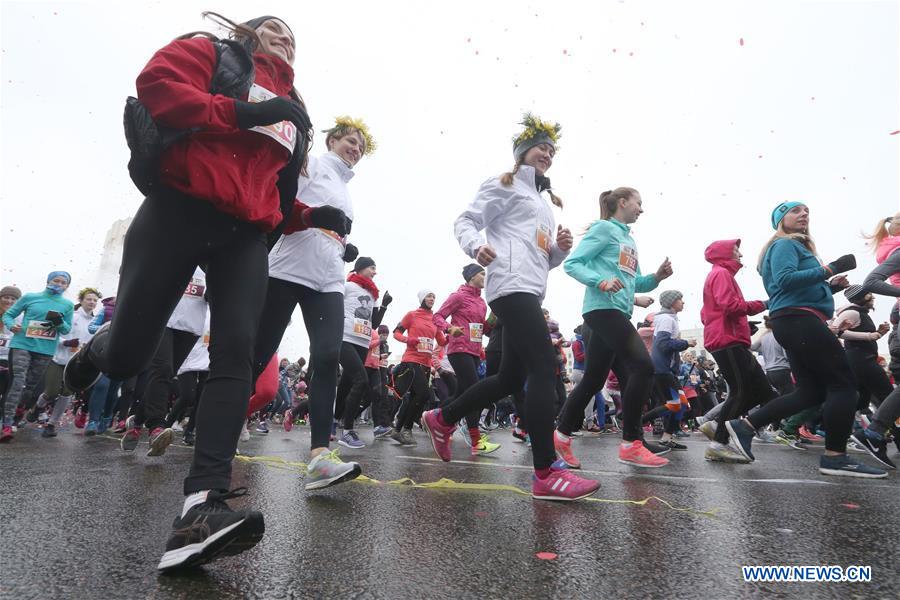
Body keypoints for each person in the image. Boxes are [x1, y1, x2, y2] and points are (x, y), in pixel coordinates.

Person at [62, 14, 351, 570]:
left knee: (237, 351)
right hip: (179, 207)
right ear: (249, 33)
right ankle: (102, 349)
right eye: (275, 29)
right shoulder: (216, 55)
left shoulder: (297, 109)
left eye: (294, 36)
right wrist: (244, 111)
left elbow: (269, 191)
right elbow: (158, 88)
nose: (287, 39)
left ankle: (202, 506)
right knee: (127, 357)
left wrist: (313, 214)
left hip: (244, 237)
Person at [420, 113, 600, 500]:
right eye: (541, 148)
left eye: (552, 151)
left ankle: (442, 417)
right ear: (522, 152)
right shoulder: (504, 185)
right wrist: (475, 246)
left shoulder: (543, 202)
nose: (547, 155)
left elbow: (541, 256)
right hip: (509, 286)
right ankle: (545, 471)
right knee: (542, 368)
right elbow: (466, 219)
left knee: (509, 379)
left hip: (531, 289)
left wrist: (558, 250)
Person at [724, 201, 886, 478]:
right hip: (799, 321)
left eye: (807, 211)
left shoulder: (792, 247)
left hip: (794, 319)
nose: (804, 214)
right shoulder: (785, 244)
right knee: (844, 385)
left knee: (810, 392)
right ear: (780, 220)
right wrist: (829, 269)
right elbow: (785, 281)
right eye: (795, 211)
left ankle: (746, 427)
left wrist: (828, 287)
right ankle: (836, 457)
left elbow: (794, 290)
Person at [253, 117, 375, 484]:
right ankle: (211, 424)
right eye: (351, 141)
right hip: (288, 269)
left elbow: (331, 226)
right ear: (333, 139)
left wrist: (344, 245)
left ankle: (320, 455)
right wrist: (313, 217)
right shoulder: (311, 163)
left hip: (328, 279)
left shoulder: (345, 186)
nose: (355, 149)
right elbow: (279, 204)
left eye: (361, 147)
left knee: (325, 357)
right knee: (258, 354)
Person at [555, 187, 673, 469]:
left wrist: (656, 277)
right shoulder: (605, 229)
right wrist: (601, 281)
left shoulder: (627, 239)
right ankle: (631, 443)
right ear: (623, 202)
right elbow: (573, 264)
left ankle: (561, 435)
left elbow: (635, 282)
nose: (641, 209)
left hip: (617, 312)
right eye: (638, 203)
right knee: (642, 367)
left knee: (594, 380)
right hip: (601, 310)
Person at [699, 239, 772, 462]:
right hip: (727, 340)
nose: (740, 255)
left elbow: (708, 313)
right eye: (736, 250)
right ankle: (719, 441)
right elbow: (729, 306)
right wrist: (764, 304)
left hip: (731, 339)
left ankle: (717, 424)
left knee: (764, 393)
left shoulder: (721, 274)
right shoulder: (721, 274)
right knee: (742, 392)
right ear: (724, 254)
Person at [121, 268, 207, 455]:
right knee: (162, 369)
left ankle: (136, 422)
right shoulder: (175, 250)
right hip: (162, 320)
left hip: (191, 327)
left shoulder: (213, 260)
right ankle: (156, 428)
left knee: (164, 376)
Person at [433, 263, 500, 456]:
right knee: (474, 392)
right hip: (459, 348)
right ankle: (475, 440)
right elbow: (437, 316)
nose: (485, 277)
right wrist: (449, 328)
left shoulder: (482, 302)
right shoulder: (458, 296)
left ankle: (434, 418)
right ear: (471, 277)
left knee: (461, 396)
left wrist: (493, 318)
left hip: (475, 351)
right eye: (481, 274)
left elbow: (484, 330)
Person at [1, 272, 74, 441]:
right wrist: (12, 325)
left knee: (30, 386)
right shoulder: (30, 297)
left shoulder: (67, 305)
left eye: (63, 283)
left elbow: (66, 330)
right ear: (48, 281)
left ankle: (19, 410)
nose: (59, 284)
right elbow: (8, 315)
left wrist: (58, 321)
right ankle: (6, 424)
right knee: (18, 382)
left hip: (45, 350)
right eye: (56, 280)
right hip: (22, 344)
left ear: (67, 287)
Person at [27, 287, 100, 437]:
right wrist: (65, 343)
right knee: (52, 392)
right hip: (58, 358)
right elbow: (51, 332)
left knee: (67, 393)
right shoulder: (70, 315)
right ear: (81, 300)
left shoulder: (95, 322)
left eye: (94, 300)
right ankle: (37, 407)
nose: (92, 302)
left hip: (76, 363)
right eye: (89, 299)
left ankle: (51, 425)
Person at [335, 257, 390, 449]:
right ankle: (347, 430)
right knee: (361, 380)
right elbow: (333, 305)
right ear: (360, 268)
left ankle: (333, 422)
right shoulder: (348, 286)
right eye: (372, 268)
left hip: (362, 342)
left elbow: (374, 322)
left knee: (346, 384)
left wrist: (383, 305)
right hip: (345, 338)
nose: (375, 272)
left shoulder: (373, 293)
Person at [391, 290, 447, 445]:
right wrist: (409, 340)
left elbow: (441, 341)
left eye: (434, 296)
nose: (432, 299)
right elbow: (396, 333)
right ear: (422, 298)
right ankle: (407, 429)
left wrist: (454, 334)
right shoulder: (412, 315)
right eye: (429, 296)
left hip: (426, 364)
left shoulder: (435, 319)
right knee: (423, 395)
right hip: (411, 360)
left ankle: (397, 430)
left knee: (416, 398)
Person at [642, 290, 694, 450]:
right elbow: (663, 344)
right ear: (672, 302)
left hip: (665, 369)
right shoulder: (666, 319)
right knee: (677, 403)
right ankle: (636, 423)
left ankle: (666, 438)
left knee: (678, 404)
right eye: (680, 299)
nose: (683, 302)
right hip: (661, 369)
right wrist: (686, 343)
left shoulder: (668, 318)